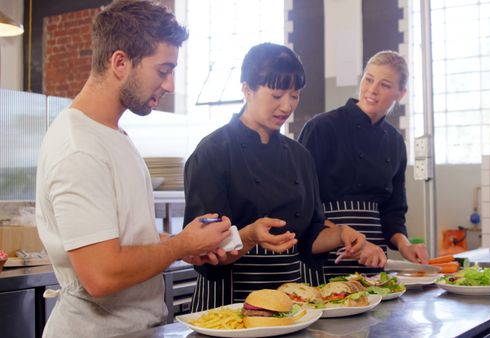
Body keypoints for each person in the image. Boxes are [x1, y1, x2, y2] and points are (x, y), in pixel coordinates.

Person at [35, 1, 234, 336]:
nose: (170, 85)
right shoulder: (78, 147)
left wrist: (191, 244)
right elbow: (102, 274)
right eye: (163, 70)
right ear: (120, 62)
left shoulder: (114, 135)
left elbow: (126, 236)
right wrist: (181, 245)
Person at [183, 42, 378, 310]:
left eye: (294, 95)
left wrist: (342, 233)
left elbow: (309, 236)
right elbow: (203, 249)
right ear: (247, 89)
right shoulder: (213, 152)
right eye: (276, 95)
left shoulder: (300, 156)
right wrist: (250, 235)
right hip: (229, 301)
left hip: (290, 300)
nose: (287, 106)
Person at [298, 50, 428, 279]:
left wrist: (405, 244)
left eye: (385, 85)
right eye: (368, 79)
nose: (372, 90)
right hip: (325, 255)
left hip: (373, 257)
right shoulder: (321, 128)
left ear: (401, 93)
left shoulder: (395, 141)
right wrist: (343, 235)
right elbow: (303, 203)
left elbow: (393, 210)